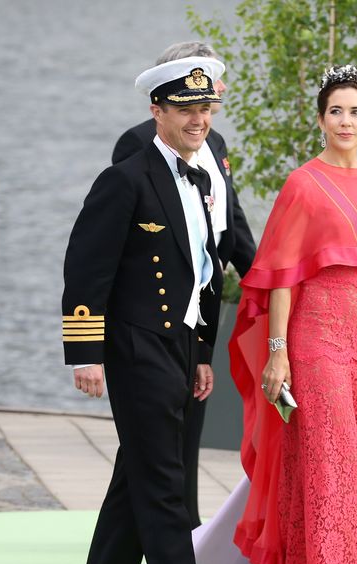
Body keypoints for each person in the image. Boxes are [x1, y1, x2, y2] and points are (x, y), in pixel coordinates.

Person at [62, 55, 249, 564]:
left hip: (180, 345)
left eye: (205, 109)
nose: (198, 119)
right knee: (165, 485)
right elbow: (85, 273)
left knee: (136, 481)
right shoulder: (126, 178)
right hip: (134, 346)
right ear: (156, 112)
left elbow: (203, 273)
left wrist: (201, 353)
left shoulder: (209, 174)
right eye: (185, 109)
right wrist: (85, 353)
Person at [229, 64, 357, 564]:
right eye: (336, 111)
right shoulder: (303, 183)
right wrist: (277, 354)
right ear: (322, 119)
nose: (346, 121)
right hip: (315, 336)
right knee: (333, 474)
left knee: (343, 473)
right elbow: (280, 276)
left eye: (356, 112)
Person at [112, 40, 256, 529]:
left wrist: (261, 281)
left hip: (198, 316)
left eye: (210, 94)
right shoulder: (137, 145)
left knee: (184, 434)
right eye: (194, 94)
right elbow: (120, 242)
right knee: (154, 447)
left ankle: (181, 527)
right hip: (154, 318)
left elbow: (228, 222)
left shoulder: (214, 144)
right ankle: (170, 537)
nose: (206, 106)